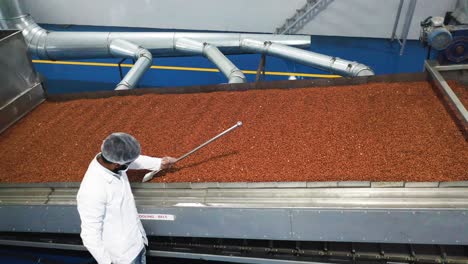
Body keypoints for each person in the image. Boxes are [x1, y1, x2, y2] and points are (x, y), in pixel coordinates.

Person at [77, 132, 176, 264]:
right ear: (118, 164)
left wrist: (159, 163)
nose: (131, 164)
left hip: (137, 240)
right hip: (123, 256)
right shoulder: (92, 189)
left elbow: (133, 160)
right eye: (127, 163)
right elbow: (89, 235)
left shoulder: (108, 158)